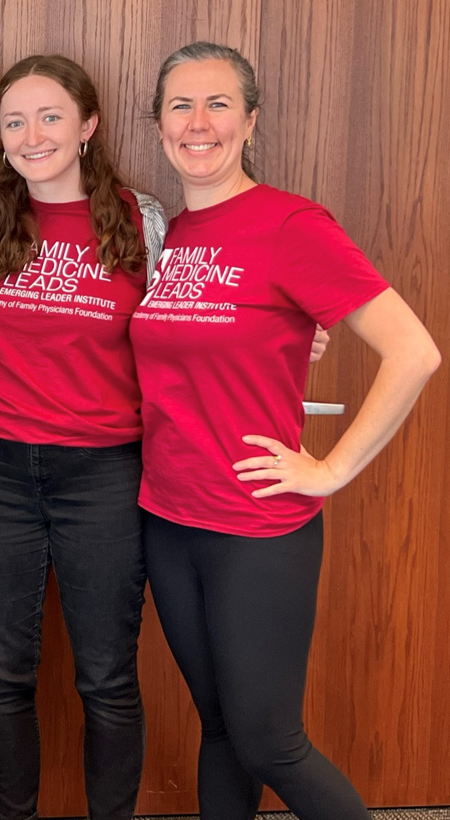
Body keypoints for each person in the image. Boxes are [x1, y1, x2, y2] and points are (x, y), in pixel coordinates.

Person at [132, 41, 440, 819]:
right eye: (180, 105)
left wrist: (332, 468)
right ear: (157, 124)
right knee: (223, 728)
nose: (198, 123)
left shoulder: (288, 224)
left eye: (218, 104)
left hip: (255, 527)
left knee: (269, 740)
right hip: (168, 518)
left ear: (250, 119)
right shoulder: (172, 238)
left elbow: (415, 351)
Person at [0, 55, 165, 820]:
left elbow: (204, 322)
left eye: (49, 117)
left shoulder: (145, 221)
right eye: (15, 121)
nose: (32, 135)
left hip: (105, 472)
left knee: (106, 675)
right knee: (3, 671)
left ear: (88, 126)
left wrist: (291, 338)